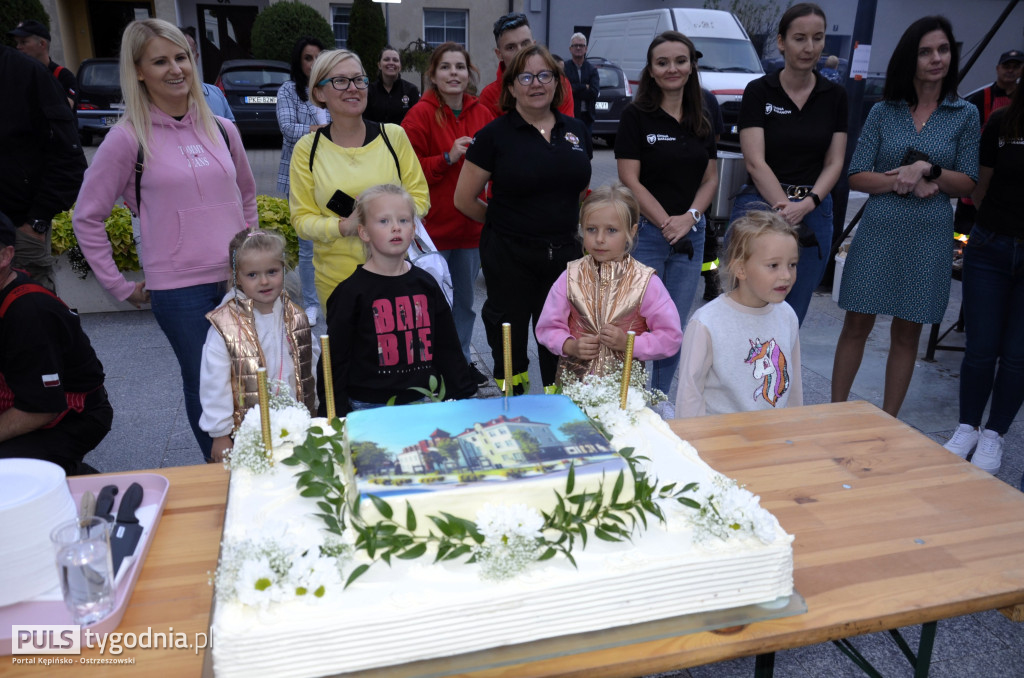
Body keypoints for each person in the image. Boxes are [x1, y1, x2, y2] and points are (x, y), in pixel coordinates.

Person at [73, 19, 257, 461]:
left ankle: (256, 464)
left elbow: (247, 197)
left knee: (250, 380)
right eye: (160, 61)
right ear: (138, 71)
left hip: (237, 282)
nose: (175, 69)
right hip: (178, 291)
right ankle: (219, 475)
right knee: (206, 384)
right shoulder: (126, 139)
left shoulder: (223, 130)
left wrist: (250, 259)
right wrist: (119, 287)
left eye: (181, 57)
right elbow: (87, 217)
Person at [832, 16, 978, 418]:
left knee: (907, 330)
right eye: (926, 51)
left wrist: (926, 170)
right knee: (856, 324)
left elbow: (966, 182)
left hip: (928, 233)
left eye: (944, 50)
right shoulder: (884, 111)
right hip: (880, 228)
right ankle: (831, 414)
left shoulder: (964, 113)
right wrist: (908, 178)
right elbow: (858, 174)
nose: (937, 58)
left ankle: (888, 422)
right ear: (909, 59)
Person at [454, 45, 592, 394]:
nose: (536, 84)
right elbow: (464, 200)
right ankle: (512, 404)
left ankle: (555, 405)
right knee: (508, 341)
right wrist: (504, 222)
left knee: (559, 340)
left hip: (564, 258)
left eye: (544, 75)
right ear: (511, 86)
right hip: (509, 257)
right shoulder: (494, 136)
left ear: (556, 83)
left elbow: (577, 192)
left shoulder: (577, 131)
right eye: (526, 76)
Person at [614, 31, 718, 408]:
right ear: (651, 71)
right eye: (662, 62)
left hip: (691, 232)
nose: (672, 68)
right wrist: (667, 223)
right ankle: (632, 401)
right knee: (640, 324)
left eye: (680, 60)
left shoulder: (705, 109)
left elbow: (711, 178)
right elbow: (630, 179)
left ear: (691, 66)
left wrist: (689, 218)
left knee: (672, 325)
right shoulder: (635, 115)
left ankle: (657, 402)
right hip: (649, 235)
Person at [731, 3, 848, 326]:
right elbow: (755, 161)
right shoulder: (759, 91)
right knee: (747, 308)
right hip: (760, 207)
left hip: (815, 211)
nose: (809, 47)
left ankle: (777, 376)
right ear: (781, 42)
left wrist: (807, 204)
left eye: (817, 38)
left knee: (790, 315)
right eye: (799, 38)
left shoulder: (835, 96)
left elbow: (835, 162)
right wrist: (786, 208)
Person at [289, 49, 430, 308]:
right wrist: (343, 227)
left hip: (395, 275)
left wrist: (382, 220)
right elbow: (301, 220)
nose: (352, 88)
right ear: (319, 93)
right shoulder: (306, 150)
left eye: (358, 80)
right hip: (337, 280)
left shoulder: (394, 137)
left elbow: (420, 198)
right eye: (340, 81)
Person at [320, 184, 476, 415]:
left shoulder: (426, 284)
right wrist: (332, 413)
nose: (395, 228)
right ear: (364, 232)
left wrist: (463, 395)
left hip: (425, 400)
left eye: (403, 221)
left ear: (413, 229)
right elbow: (335, 359)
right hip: (369, 406)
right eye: (384, 221)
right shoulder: (351, 293)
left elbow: (447, 344)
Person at [941, 86, 1024, 474]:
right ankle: (967, 428)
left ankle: (994, 434)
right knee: (981, 348)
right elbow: (981, 185)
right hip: (991, 244)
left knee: (1017, 356)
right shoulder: (1003, 122)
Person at [401, 42, 494, 383]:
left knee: (465, 305)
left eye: (460, 66)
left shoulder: (482, 113)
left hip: (470, 229)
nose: (454, 73)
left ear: (470, 73)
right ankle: (429, 367)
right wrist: (446, 158)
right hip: (432, 231)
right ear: (433, 75)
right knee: (429, 305)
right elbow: (406, 172)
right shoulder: (419, 115)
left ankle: (461, 362)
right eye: (446, 67)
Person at [536, 184, 681, 389]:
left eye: (611, 230)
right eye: (591, 229)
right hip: (573, 388)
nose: (600, 239)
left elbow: (670, 337)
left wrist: (629, 344)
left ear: (632, 231)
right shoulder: (570, 276)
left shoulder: (646, 282)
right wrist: (570, 345)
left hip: (624, 393)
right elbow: (547, 327)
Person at [0, 212, 111, 476]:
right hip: (22, 397)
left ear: (5, 257)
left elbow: (41, 410)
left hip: (72, 414)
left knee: (9, 475)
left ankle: (76, 481)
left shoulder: (29, 313)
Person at [199, 229, 318, 463]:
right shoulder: (225, 326)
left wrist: (312, 408)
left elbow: (310, 362)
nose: (264, 281)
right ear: (237, 277)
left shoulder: (296, 316)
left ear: (283, 269)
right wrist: (220, 433)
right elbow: (214, 384)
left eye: (272, 272)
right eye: (252, 275)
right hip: (248, 430)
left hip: (295, 421)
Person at [676, 209, 803, 418]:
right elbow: (689, 393)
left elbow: (793, 384)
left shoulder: (787, 315)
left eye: (792, 264)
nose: (786, 275)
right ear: (740, 269)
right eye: (773, 265)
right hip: (722, 440)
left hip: (775, 436)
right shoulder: (706, 322)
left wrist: (796, 429)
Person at [0, 44, 85, 292]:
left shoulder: (27, 73)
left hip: (18, 234)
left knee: (31, 321)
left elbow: (69, 157)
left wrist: (36, 222)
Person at [277, 36, 329, 326]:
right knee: (307, 245)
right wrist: (324, 130)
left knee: (334, 238)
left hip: (333, 177)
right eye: (308, 58)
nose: (313, 63)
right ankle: (311, 303)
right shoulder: (288, 90)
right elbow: (288, 129)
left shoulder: (333, 87)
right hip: (301, 177)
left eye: (318, 57)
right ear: (299, 62)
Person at [955, 49, 1022, 232]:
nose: (1011, 71)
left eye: (1016, 67)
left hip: (1008, 179)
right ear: (998, 68)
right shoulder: (980, 98)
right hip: (981, 171)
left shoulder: (1020, 102)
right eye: (1007, 66)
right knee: (964, 232)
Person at [478, 12, 574, 119]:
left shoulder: (560, 83)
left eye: (525, 44)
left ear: (534, 45)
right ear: (499, 54)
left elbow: (565, 130)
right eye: (511, 47)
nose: (520, 52)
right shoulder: (489, 96)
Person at [8, 19, 77, 108]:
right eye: (17, 43)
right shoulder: (17, 74)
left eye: (23, 42)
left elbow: (67, 106)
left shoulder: (63, 75)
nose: (18, 47)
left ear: (42, 44)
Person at [180, 27, 234, 121]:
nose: (184, 58)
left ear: (196, 57)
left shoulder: (216, 93)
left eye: (188, 52)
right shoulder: (155, 101)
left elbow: (232, 133)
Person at [364, 46, 420, 124]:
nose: (391, 63)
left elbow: (415, 121)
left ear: (400, 66)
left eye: (395, 60)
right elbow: (365, 122)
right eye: (386, 59)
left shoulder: (411, 90)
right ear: (379, 65)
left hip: (403, 136)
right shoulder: (369, 91)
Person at [565, 32, 599, 133]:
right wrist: (584, 86)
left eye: (581, 45)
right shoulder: (564, 68)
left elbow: (594, 93)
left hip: (587, 118)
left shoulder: (592, 70)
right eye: (575, 45)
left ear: (586, 48)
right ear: (570, 49)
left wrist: (575, 89)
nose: (578, 48)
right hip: (569, 116)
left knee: (587, 147)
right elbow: (565, 91)